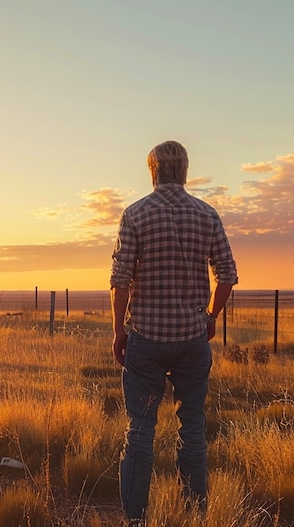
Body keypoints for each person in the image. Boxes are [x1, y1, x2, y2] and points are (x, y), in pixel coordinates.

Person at [110, 140, 238, 524]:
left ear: (153, 172)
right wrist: (211, 316)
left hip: (146, 340)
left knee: (140, 431)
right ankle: (194, 513)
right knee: (193, 427)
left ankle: (135, 519)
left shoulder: (135, 214)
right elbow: (228, 276)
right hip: (191, 340)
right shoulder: (206, 214)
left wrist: (119, 332)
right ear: (184, 171)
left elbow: (120, 280)